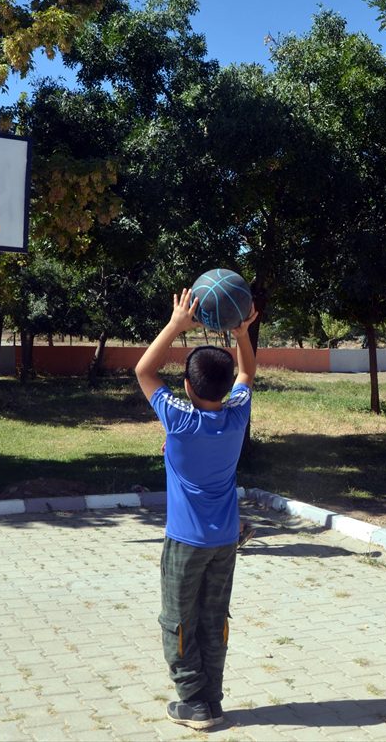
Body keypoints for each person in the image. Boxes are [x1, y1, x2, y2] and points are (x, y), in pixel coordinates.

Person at [135, 288, 258, 730]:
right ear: (226, 389)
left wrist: (176, 323)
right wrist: (242, 331)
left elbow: (143, 370)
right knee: (213, 618)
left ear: (186, 386)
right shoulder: (236, 415)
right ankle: (214, 697)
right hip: (225, 542)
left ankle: (192, 702)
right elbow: (247, 370)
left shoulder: (179, 419)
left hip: (186, 543)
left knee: (178, 621)